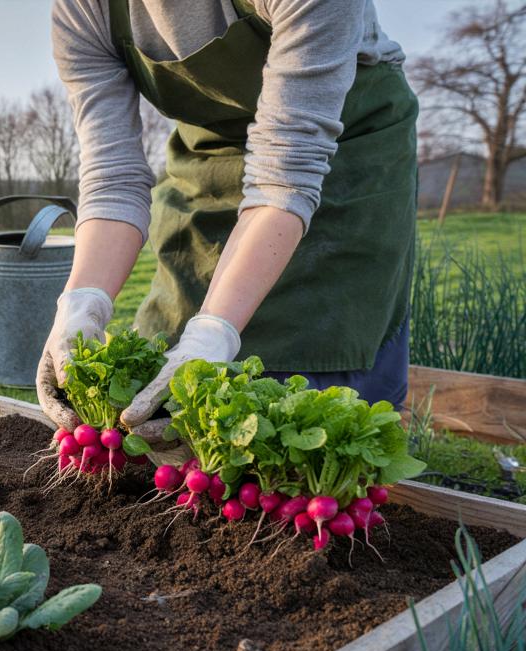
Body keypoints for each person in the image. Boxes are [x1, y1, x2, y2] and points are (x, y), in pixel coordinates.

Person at [39, 0, 418, 440]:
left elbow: (285, 172)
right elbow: (113, 178)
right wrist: (81, 303)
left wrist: (214, 331)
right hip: (210, 163)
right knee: (163, 394)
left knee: (313, 411)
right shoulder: (82, 9)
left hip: (341, 155)